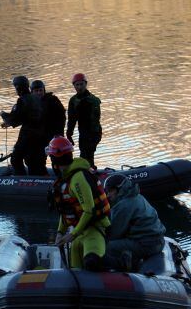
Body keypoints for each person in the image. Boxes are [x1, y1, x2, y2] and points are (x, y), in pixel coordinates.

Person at [46, 136, 110, 271]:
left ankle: (121, 262)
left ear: (55, 160)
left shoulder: (78, 178)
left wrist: (72, 234)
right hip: (79, 235)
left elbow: (89, 210)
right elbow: (66, 211)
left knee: (92, 264)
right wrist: (60, 232)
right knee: (74, 271)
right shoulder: (65, 180)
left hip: (94, 231)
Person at [102, 174, 166, 272]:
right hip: (159, 241)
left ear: (119, 189)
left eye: (110, 191)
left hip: (147, 245)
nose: (108, 195)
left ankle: (122, 267)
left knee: (107, 247)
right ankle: (132, 261)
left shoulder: (123, 206)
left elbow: (114, 234)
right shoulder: (138, 196)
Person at [0, 75, 46, 176]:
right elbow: (25, 116)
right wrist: (10, 122)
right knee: (32, 160)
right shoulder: (36, 98)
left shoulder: (22, 100)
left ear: (18, 87)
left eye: (15, 87)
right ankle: (35, 179)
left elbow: (14, 117)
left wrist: (3, 114)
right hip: (39, 135)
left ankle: (21, 180)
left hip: (27, 135)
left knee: (16, 159)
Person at [66, 73, 102, 169]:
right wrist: (69, 133)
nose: (79, 87)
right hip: (83, 132)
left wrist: (94, 136)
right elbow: (71, 119)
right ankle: (89, 172)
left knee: (87, 154)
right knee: (84, 153)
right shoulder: (73, 101)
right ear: (74, 86)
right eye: (77, 85)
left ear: (85, 84)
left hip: (93, 132)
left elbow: (95, 119)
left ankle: (90, 174)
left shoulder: (93, 100)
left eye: (81, 84)